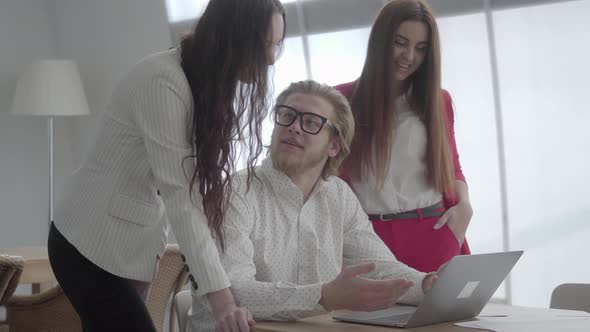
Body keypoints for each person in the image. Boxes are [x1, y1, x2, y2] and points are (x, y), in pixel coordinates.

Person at [47, 0, 285, 331]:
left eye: (277, 45)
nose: (271, 58)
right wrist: (224, 301)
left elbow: (193, 194)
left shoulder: (207, 84)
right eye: (265, 44)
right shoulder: (163, 81)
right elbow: (181, 194)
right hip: (87, 239)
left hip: (133, 244)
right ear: (232, 35)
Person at [188, 80, 440, 331]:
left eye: (310, 122)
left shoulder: (339, 195)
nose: (294, 127)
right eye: (286, 116)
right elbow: (233, 290)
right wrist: (324, 296)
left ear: (334, 145)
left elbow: (379, 267)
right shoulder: (235, 192)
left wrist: (426, 284)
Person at [334, 0, 473, 273]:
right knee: (359, 316)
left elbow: (453, 166)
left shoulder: (438, 101)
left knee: (443, 316)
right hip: (366, 240)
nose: (409, 56)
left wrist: (465, 207)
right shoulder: (340, 100)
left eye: (421, 48)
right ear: (380, 40)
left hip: (433, 233)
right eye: (400, 42)